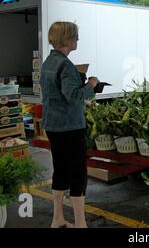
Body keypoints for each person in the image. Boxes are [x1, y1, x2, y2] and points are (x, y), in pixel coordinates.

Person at [40, 22, 98, 228]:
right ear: (67, 39)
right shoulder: (65, 65)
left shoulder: (48, 62)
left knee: (61, 169)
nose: (77, 40)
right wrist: (90, 84)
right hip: (70, 126)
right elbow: (73, 96)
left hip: (53, 125)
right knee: (78, 173)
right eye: (75, 36)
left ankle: (57, 219)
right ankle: (80, 223)